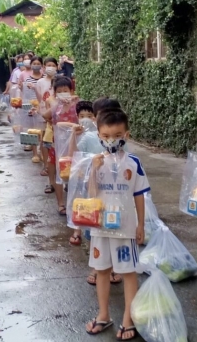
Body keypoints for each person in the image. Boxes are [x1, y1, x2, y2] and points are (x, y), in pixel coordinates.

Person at [84, 108, 150, 341]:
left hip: (125, 229)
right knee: (102, 270)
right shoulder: (95, 162)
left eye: (117, 135)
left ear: (126, 135)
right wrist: (93, 169)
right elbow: (90, 194)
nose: (112, 140)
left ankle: (127, 319)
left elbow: (140, 195)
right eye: (106, 136)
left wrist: (141, 225)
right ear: (99, 136)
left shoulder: (134, 163)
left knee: (128, 272)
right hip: (100, 227)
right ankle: (103, 315)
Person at [67, 98, 124, 286]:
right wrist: (74, 136)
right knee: (95, 231)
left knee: (114, 229)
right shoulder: (91, 137)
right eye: (103, 114)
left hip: (115, 194)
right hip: (93, 191)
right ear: (95, 118)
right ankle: (97, 267)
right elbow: (74, 157)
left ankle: (114, 267)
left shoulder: (120, 139)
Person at [42, 76, 78, 215]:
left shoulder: (77, 105)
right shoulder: (56, 107)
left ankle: (75, 202)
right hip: (57, 146)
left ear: (71, 90)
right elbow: (45, 115)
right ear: (55, 93)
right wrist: (53, 121)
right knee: (58, 173)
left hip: (74, 145)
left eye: (66, 90)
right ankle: (61, 204)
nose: (63, 93)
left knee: (75, 173)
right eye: (60, 91)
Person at [36, 57, 58, 181]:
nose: (50, 67)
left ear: (57, 67)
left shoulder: (59, 80)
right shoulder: (40, 82)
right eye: (48, 65)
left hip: (57, 117)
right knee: (45, 141)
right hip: (44, 113)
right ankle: (46, 165)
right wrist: (41, 112)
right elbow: (40, 99)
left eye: (53, 65)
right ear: (44, 67)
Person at [23, 56, 45, 163]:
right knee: (33, 131)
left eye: (38, 63)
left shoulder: (44, 77)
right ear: (31, 65)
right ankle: (35, 154)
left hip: (42, 107)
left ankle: (42, 151)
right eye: (34, 63)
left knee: (42, 131)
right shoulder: (28, 80)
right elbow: (26, 96)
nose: (36, 65)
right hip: (32, 107)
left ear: (41, 65)